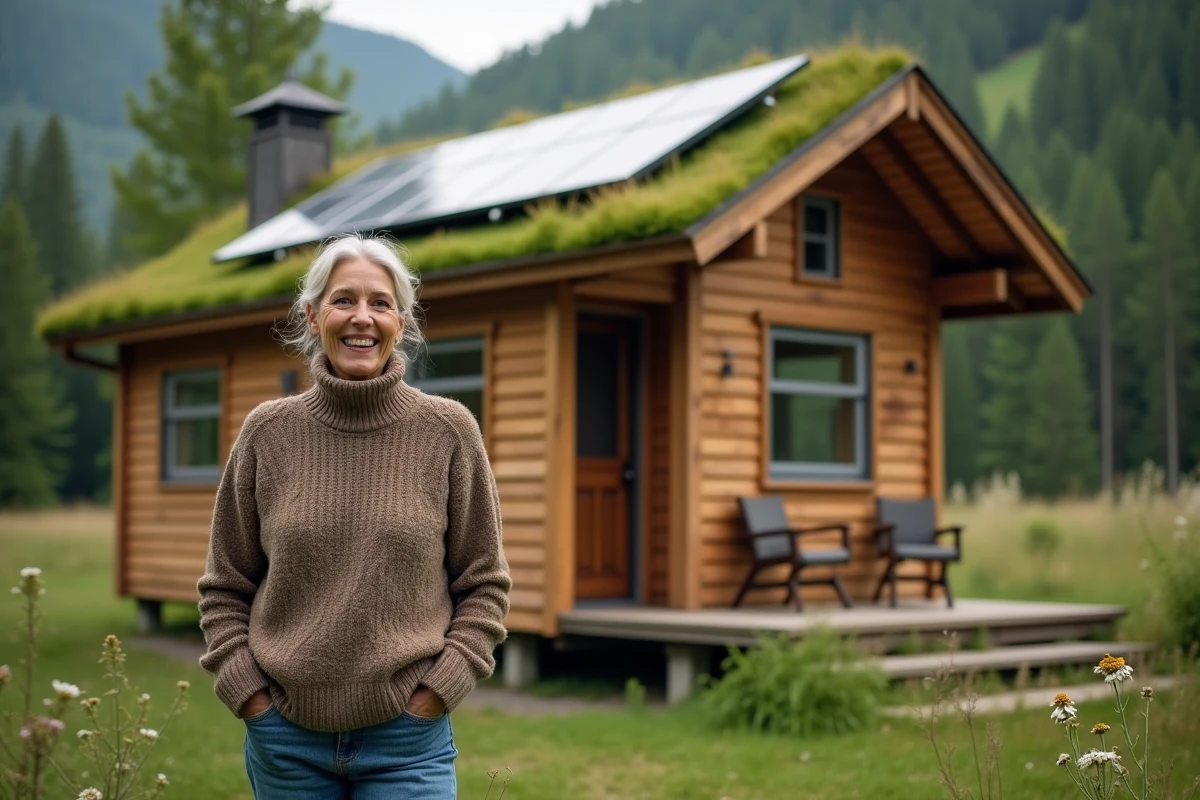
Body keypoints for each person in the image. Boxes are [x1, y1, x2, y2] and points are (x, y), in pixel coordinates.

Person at [197, 233, 511, 799]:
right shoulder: (267, 433)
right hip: (286, 742)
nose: (362, 318)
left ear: (401, 321)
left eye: (380, 303)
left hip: (408, 744)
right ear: (314, 316)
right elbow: (225, 587)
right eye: (344, 300)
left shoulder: (449, 431)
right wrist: (251, 698)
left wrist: (440, 689)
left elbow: (484, 583)